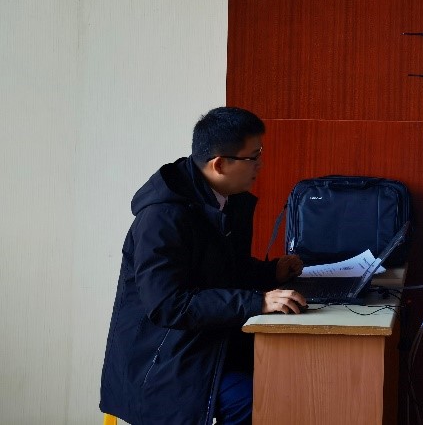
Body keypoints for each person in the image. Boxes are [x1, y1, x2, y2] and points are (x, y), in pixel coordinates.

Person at [100, 106, 307, 425]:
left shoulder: (226, 201)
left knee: (297, 374)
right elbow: (169, 305)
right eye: (253, 157)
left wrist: (270, 272)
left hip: (208, 342)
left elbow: (223, 274)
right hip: (164, 361)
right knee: (263, 401)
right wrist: (257, 301)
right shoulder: (162, 218)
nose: (260, 165)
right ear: (220, 164)